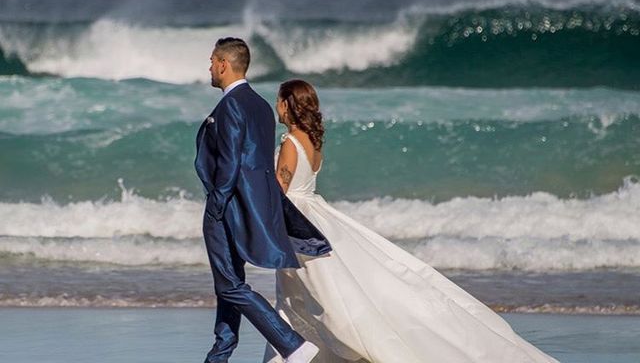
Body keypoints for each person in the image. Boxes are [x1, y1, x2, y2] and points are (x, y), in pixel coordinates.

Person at [263, 79, 559, 363]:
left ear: (289, 105)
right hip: (314, 215)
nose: (276, 106)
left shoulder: (290, 141)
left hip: (297, 221)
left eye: (279, 101)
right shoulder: (313, 142)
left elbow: (279, 189)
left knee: (309, 296)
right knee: (305, 293)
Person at [195, 38, 331, 363]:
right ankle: (218, 356)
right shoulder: (258, 104)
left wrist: (217, 204)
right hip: (246, 206)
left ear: (224, 65)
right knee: (230, 284)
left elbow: (230, 161)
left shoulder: (230, 105)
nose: (210, 67)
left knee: (229, 286)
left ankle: (292, 345)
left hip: (226, 207)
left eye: (212, 61)